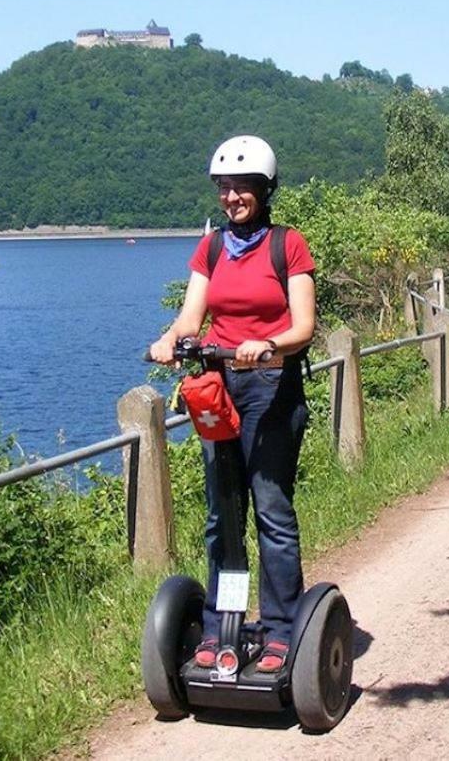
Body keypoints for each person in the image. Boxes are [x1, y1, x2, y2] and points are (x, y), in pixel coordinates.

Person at [148, 134, 316, 675]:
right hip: (219, 390)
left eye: (243, 187)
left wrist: (269, 344)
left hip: (272, 388)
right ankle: (226, 621)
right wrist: (170, 341)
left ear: (265, 191)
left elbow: (304, 326)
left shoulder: (287, 245)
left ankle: (281, 630)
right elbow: (190, 317)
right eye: (225, 188)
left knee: (270, 508)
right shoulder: (212, 248)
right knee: (223, 514)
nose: (232, 197)